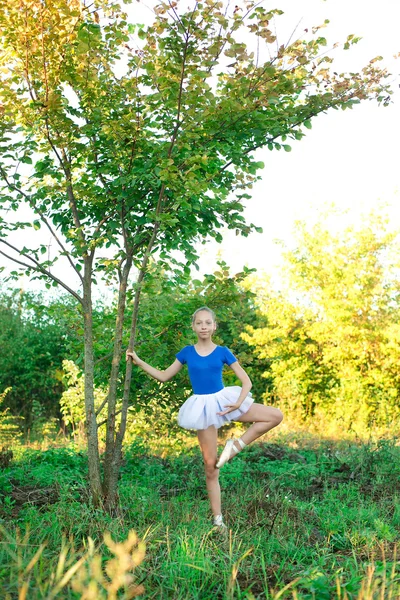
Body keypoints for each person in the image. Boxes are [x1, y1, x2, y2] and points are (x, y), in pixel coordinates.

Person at [126, 306, 283, 529]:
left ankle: (234, 446)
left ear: (214, 326)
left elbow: (246, 382)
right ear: (193, 326)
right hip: (203, 408)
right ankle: (218, 521)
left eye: (208, 323)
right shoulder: (187, 352)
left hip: (226, 401)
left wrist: (238, 403)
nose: (204, 327)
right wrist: (139, 361)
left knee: (275, 415)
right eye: (199, 323)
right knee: (211, 466)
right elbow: (163, 376)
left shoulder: (223, 352)